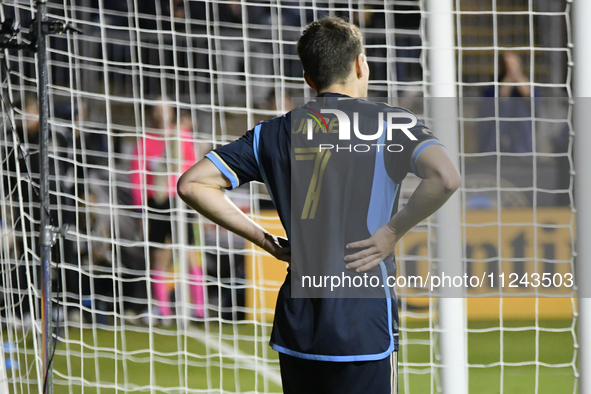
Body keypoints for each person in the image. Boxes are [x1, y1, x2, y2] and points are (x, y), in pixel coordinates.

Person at [178, 17, 460, 394]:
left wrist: (266, 242)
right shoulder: (393, 123)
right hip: (364, 321)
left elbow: (192, 183)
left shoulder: (272, 133)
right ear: (361, 64)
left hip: (301, 324)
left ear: (308, 79)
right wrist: (392, 232)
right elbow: (446, 177)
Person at [129, 98, 204, 322]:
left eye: (166, 109)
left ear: (172, 113)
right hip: (158, 202)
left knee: (191, 254)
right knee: (160, 256)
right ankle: (163, 310)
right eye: (158, 109)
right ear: (153, 113)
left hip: (181, 200)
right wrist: (140, 209)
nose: (162, 114)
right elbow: (137, 175)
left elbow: (193, 165)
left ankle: (199, 310)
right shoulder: (145, 141)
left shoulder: (182, 136)